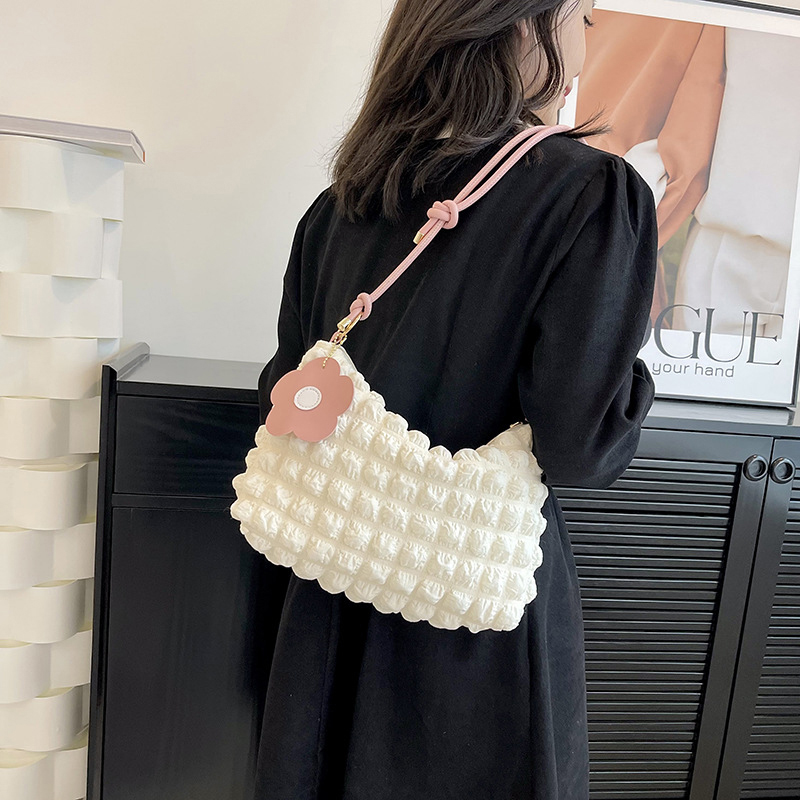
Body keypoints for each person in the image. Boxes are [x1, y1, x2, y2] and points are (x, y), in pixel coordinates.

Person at [254, 1, 658, 798]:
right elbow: (581, 446)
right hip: (471, 618)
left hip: (329, 596)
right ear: (522, 23)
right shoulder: (588, 195)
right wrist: (631, 375)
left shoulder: (342, 202)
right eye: (580, 19)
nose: (585, 47)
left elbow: (284, 392)